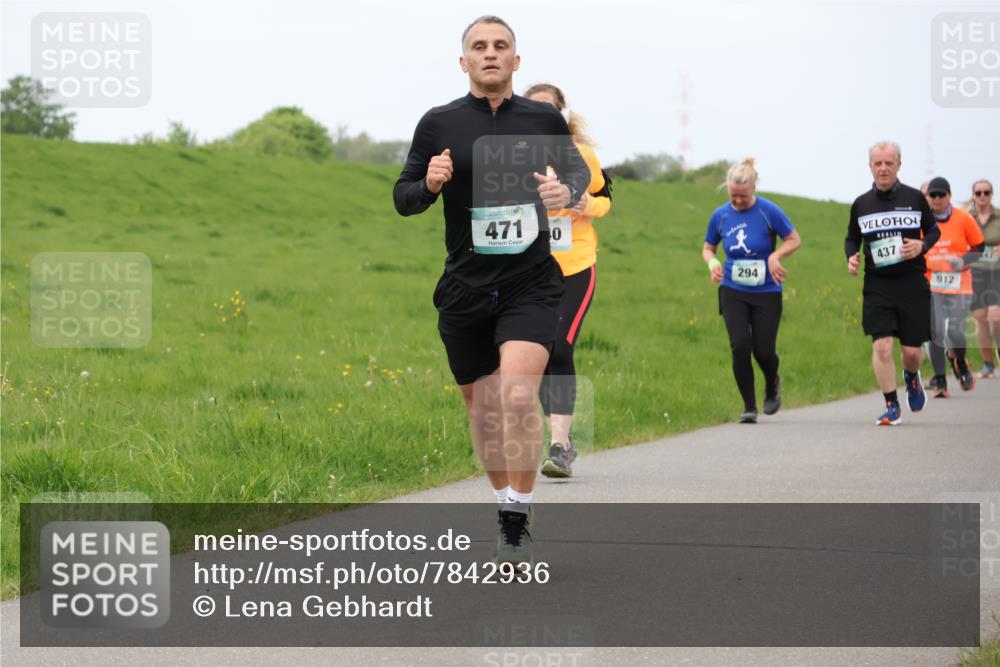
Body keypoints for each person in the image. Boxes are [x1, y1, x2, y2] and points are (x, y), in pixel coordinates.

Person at [392, 16, 591, 569]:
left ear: (515, 60)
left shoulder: (543, 119)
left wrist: (564, 189)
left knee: (518, 397)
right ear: (464, 62)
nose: (490, 53)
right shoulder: (439, 122)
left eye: (500, 46)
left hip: (531, 283)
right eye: (478, 46)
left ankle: (515, 518)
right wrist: (429, 183)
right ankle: (505, 499)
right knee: (483, 413)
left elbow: (579, 176)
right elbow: (403, 197)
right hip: (465, 287)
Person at [523, 83, 612, 478]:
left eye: (549, 109)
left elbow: (606, 198)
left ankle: (559, 446)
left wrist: (585, 203)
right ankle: (560, 439)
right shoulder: (514, 154)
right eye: (533, 108)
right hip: (530, 268)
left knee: (560, 347)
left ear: (560, 114)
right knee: (541, 352)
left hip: (575, 265)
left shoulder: (582, 155)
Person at [845, 141, 940, 426]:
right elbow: (852, 238)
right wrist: (851, 256)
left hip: (912, 283)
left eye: (889, 163)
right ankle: (891, 406)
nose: (883, 168)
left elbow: (933, 231)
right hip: (878, 285)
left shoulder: (915, 198)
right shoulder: (861, 204)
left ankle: (911, 376)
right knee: (883, 347)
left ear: (899, 165)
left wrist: (922, 245)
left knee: (911, 352)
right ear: (870, 167)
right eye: (878, 163)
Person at [702, 158, 801, 423]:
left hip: (767, 290)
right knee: (740, 346)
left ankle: (772, 381)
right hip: (732, 288)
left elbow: (794, 239)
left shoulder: (769, 211)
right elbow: (709, 247)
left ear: (754, 188)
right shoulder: (720, 215)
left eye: (743, 196)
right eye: (733, 196)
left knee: (764, 351)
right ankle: (749, 406)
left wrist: (775, 256)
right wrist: (713, 264)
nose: (738, 201)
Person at [922, 177, 985, 396]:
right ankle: (940, 380)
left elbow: (979, 247)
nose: (937, 199)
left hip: (959, 282)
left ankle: (961, 363)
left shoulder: (963, 218)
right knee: (936, 331)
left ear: (949, 195)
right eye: (933, 195)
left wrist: (963, 260)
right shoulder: (922, 220)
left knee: (955, 331)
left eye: (941, 194)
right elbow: (915, 247)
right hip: (932, 282)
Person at [967, 179, 1000, 378]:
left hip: (997, 271)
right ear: (973, 195)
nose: (982, 196)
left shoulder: (998, 216)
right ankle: (988, 364)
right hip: (975, 273)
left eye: (986, 192)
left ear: (991, 194)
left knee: (995, 317)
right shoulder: (967, 218)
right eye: (978, 192)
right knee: (980, 318)